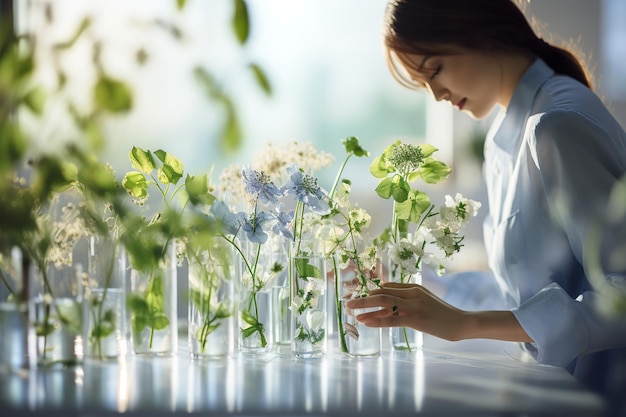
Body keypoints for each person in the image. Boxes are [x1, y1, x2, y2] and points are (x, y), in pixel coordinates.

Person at [345, 0, 626, 415]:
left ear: (475, 28)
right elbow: (522, 294)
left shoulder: (556, 125)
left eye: (434, 70)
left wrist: (465, 326)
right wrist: (411, 289)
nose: (436, 95)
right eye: (423, 84)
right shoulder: (504, 135)